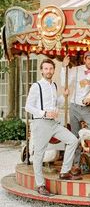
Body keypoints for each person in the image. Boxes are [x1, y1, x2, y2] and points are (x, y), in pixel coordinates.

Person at [25, 59, 81, 197]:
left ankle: (64, 172)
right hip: (41, 123)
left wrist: (64, 96)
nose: (48, 71)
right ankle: (40, 185)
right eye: (46, 69)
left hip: (53, 123)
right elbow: (28, 106)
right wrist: (44, 113)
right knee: (39, 154)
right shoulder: (36, 86)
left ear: (53, 70)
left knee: (73, 140)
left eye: (50, 69)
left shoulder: (53, 85)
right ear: (41, 70)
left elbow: (57, 103)